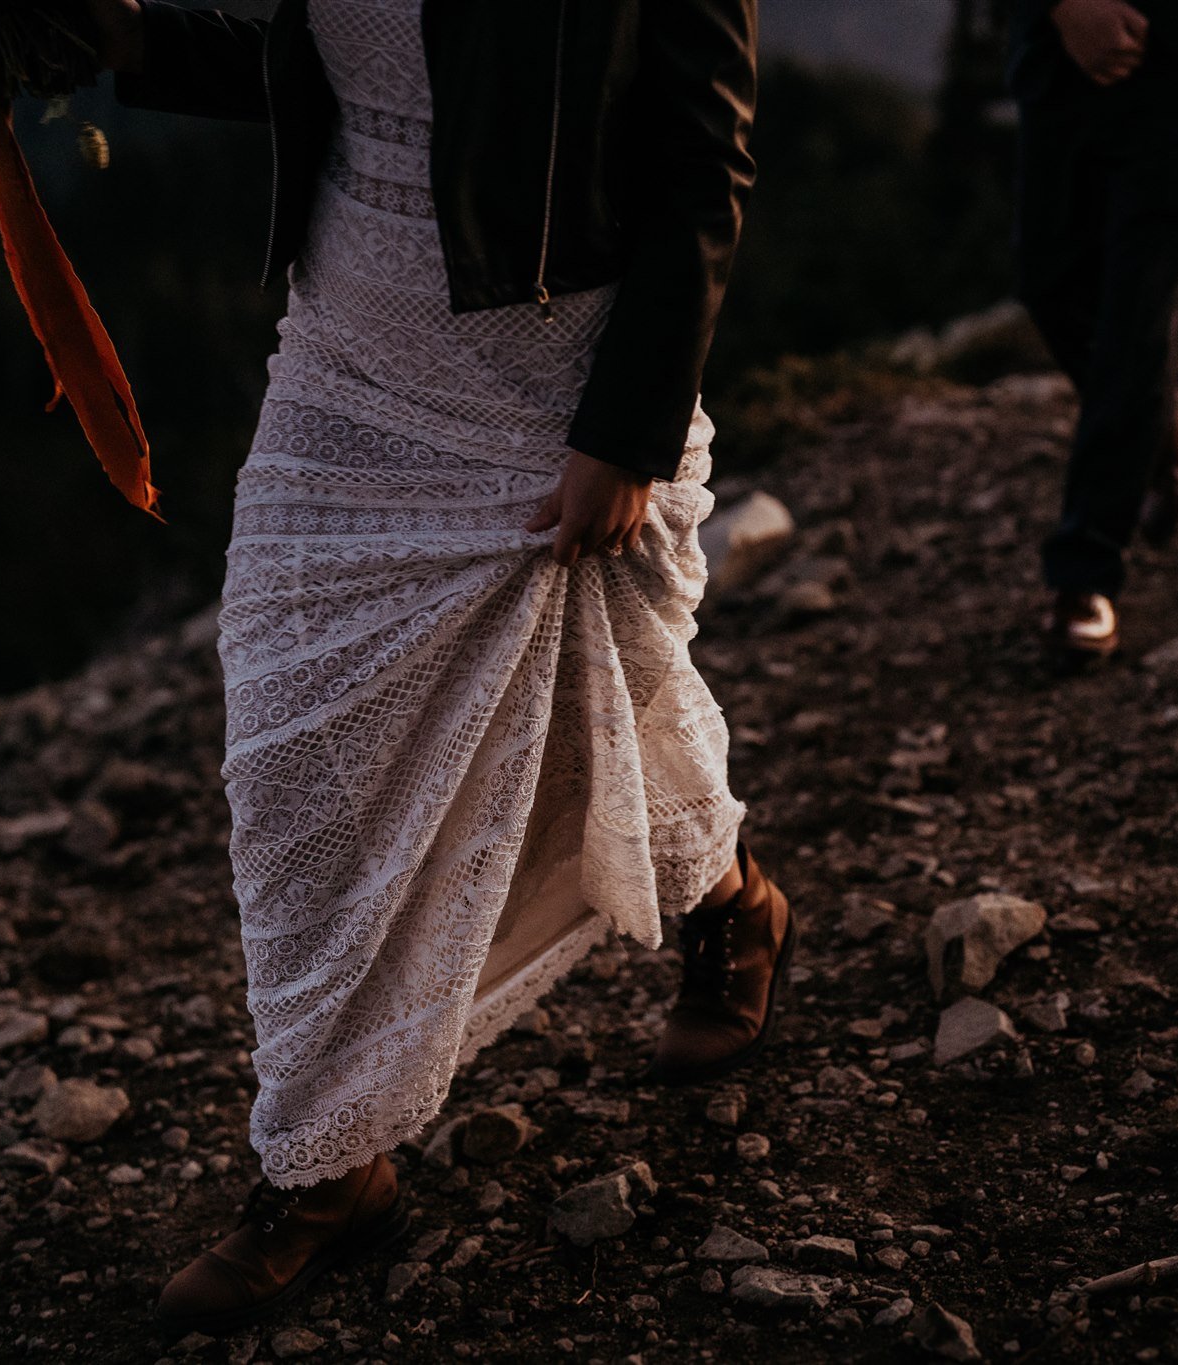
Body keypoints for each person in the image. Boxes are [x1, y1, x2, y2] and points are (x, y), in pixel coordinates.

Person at [84, 0, 792, 1334]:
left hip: (548, 365)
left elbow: (704, 152)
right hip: (346, 349)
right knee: (294, 747)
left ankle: (729, 899)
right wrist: (126, 41)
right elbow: (340, 64)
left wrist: (630, 428)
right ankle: (330, 1155)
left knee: (599, 691)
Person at [1007, 0, 1178, 668]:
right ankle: (1163, 401)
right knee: (1050, 286)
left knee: (1138, 321)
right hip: (1062, 62)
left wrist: (1154, 25)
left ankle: (1084, 575)